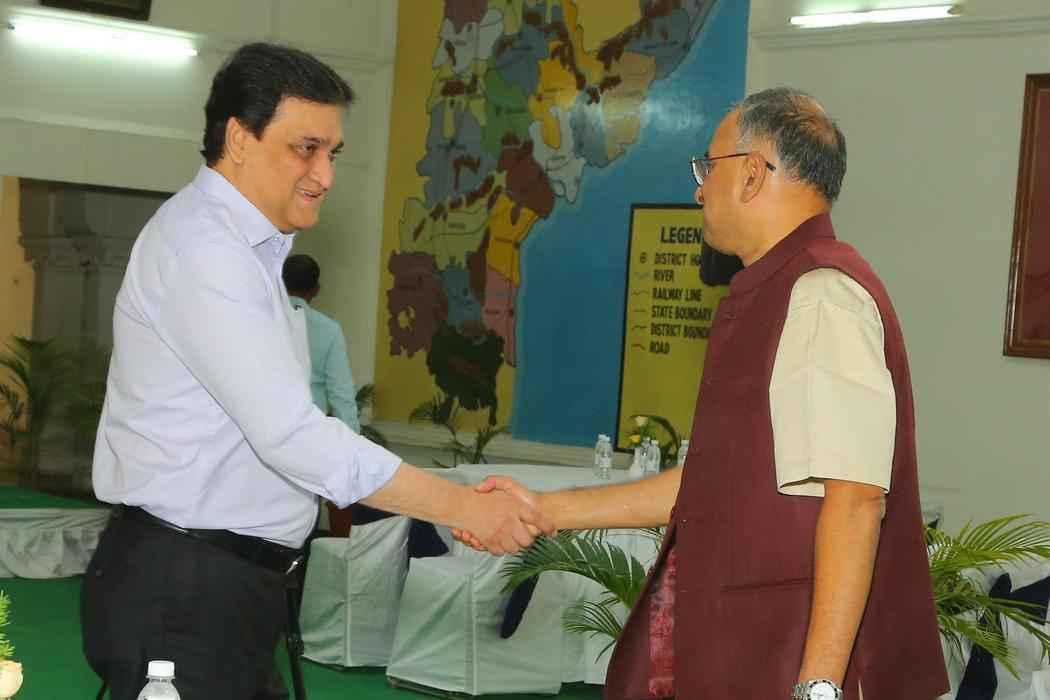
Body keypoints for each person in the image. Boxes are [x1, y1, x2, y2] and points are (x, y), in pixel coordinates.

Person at [81, 42, 551, 700]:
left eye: (333, 153)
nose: (325, 174)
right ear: (238, 139)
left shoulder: (245, 251)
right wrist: (462, 507)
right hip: (183, 593)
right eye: (307, 149)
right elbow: (293, 437)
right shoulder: (206, 250)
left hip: (222, 588)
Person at [455, 88, 950, 700]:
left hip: (786, 654)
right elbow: (711, 489)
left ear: (751, 173)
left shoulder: (821, 294)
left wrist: (819, 688)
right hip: (739, 645)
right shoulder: (775, 288)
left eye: (707, 167)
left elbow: (855, 501)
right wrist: (545, 510)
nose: (698, 190)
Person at [282, 253, 361, 431]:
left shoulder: (261, 320)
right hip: (310, 434)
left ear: (279, 282)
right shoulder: (329, 330)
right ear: (316, 289)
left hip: (262, 433)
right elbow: (341, 396)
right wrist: (353, 441)